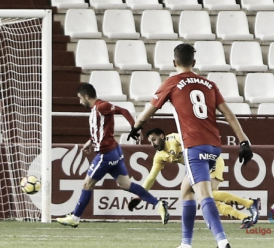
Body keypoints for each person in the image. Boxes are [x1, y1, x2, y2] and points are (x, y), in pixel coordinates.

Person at [127, 43, 253, 248]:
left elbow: (149, 111)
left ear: (174, 62)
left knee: (204, 195)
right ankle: (186, 244)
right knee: (186, 191)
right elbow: (228, 114)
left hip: (194, 146)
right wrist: (244, 141)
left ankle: (222, 242)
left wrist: (136, 126)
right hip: (214, 146)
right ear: (194, 63)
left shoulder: (172, 82)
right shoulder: (209, 84)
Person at [56, 83, 169, 228]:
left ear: (86, 96)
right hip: (114, 151)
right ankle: (158, 204)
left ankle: (75, 217)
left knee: (87, 184)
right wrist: (91, 141)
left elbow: (123, 110)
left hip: (106, 154)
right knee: (125, 184)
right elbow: (102, 130)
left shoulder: (101, 106)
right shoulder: (96, 110)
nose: (80, 102)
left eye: (80, 98)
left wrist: (135, 127)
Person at [127, 128, 260, 230]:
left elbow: (189, 139)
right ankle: (245, 217)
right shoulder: (160, 156)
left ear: (162, 136)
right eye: (150, 141)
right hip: (197, 166)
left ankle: (249, 203)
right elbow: (151, 177)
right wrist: (140, 196)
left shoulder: (174, 139)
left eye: (154, 139)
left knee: (208, 196)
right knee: (208, 200)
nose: (152, 143)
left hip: (209, 160)